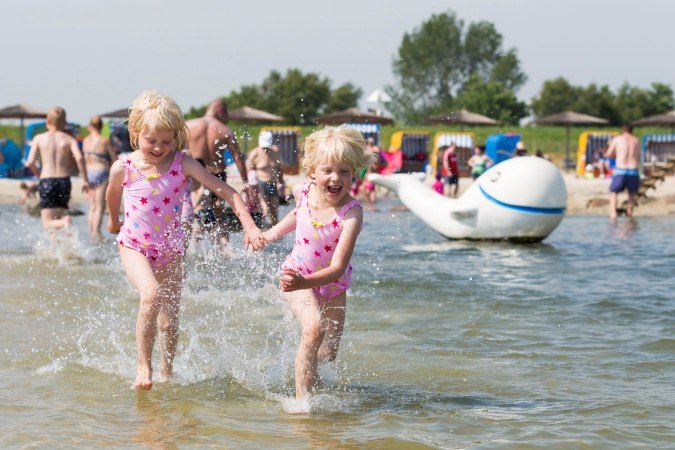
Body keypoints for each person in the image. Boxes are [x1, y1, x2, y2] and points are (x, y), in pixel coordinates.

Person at [106, 91, 264, 390]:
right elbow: (112, 193)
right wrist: (114, 220)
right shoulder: (123, 166)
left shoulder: (183, 163)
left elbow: (227, 191)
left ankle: (167, 370)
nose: (159, 148)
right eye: (152, 141)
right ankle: (143, 366)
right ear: (136, 132)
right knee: (150, 294)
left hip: (171, 250)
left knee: (168, 321)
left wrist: (249, 226)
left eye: (167, 141)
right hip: (134, 246)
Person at [262, 126, 376, 412]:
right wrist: (269, 235)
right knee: (314, 329)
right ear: (312, 171)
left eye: (344, 171)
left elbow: (337, 268)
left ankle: (308, 377)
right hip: (296, 275)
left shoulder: (351, 213)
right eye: (328, 170)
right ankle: (302, 403)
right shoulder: (304, 190)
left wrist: (306, 282)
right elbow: (297, 214)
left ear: (355, 174)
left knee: (328, 352)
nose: (335, 178)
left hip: (333, 285)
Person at [186, 99, 249, 247]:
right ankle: (224, 249)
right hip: (217, 176)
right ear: (220, 111)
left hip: (194, 173)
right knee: (218, 214)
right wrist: (245, 182)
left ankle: (193, 247)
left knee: (193, 209)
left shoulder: (187, 126)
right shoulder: (225, 130)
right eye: (226, 114)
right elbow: (237, 158)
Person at [25, 107, 90, 231]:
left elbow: (30, 162)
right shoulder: (69, 139)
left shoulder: (39, 138)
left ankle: (64, 222)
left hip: (47, 180)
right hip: (64, 181)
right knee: (57, 218)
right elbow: (80, 158)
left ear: (47, 121)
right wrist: (85, 180)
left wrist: (39, 176)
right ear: (65, 123)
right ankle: (55, 248)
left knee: (47, 223)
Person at [82, 115, 117, 239]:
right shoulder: (104, 140)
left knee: (92, 206)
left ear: (90, 126)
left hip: (89, 172)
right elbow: (113, 158)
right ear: (101, 126)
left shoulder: (85, 141)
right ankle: (96, 232)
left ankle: (91, 231)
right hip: (101, 172)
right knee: (99, 206)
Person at [605, 124, 641, 219]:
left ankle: (613, 214)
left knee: (614, 192)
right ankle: (630, 212)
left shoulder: (617, 139)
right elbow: (638, 156)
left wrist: (617, 155)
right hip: (633, 170)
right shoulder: (636, 140)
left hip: (620, 169)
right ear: (632, 130)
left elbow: (609, 154)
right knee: (632, 194)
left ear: (623, 130)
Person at [246, 131, 281, 226]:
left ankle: (275, 234)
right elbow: (248, 169)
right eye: (264, 147)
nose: (266, 149)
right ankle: (262, 230)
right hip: (260, 183)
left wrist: (281, 182)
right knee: (264, 209)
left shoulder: (276, 151)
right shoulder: (255, 153)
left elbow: (278, 168)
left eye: (267, 147)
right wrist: (251, 185)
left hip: (272, 183)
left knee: (274, 211)